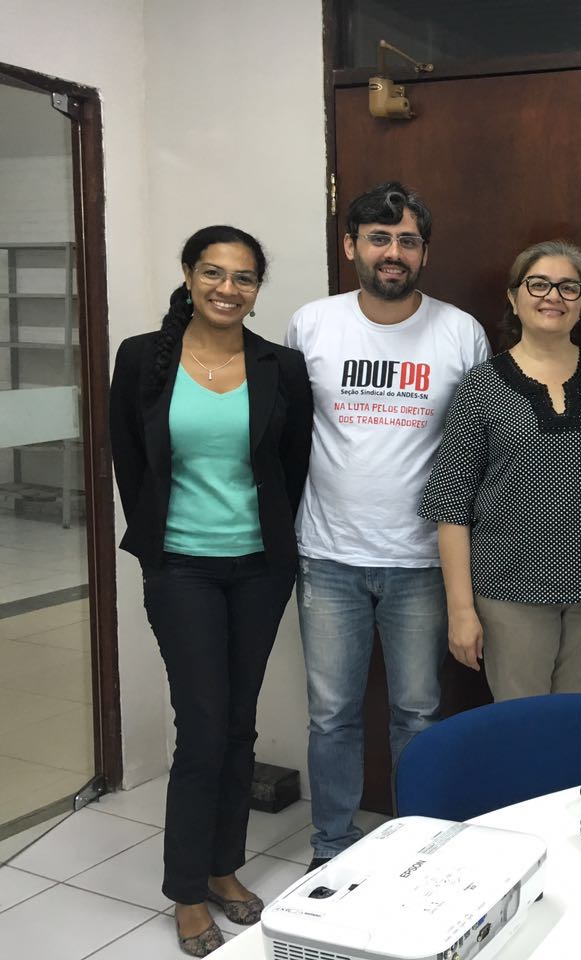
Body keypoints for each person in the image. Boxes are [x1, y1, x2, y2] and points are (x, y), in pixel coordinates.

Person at [110, 226, 312, 956]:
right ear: (190, 275)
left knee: (239, 723)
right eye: (214, 273)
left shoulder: (281, 366)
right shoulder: (142, 358)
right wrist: (160, 553)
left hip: (259, 568)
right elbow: (130, 462)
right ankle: (187, 889)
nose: (228, 288)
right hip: (182, 569)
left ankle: (225, 866)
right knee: (202, 727)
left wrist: (270, 547)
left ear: (257, 289)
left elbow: (291, 466)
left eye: (244, 277)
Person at [286, 181, 489, 869]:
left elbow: (478, 446)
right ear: (352, 247)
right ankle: (331, 846)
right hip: (327, 558)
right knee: (331, 715)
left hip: (423, 563)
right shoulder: (312, 324)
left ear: (424, 252)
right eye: (378, 238)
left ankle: (415, 846)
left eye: (407, 240)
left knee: (418, 714)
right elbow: (287, 432)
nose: (392, 252)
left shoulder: (460, 332)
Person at [420, 240, 581, 699]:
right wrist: (460, 611)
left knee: (577, 723)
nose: (553, 296)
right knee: (523, 727)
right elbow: (450, 504)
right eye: (538, 284)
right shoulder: (481, 386)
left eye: (569, 287)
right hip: (508, 591)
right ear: (514, 298)